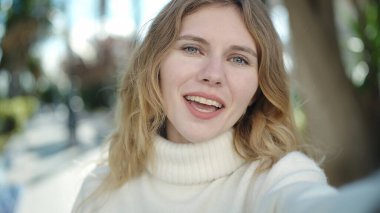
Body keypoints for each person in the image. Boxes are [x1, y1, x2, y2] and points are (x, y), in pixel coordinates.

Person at [73, 0, 380, 212]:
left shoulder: (279, 180)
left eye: (238, 59)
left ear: (258, 90)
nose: (213, 75)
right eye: (192, 48)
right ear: (156, 65)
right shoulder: (100, 190)